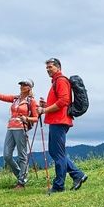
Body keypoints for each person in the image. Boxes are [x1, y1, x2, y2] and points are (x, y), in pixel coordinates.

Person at [36, 57, 87, 194]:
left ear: (58, 67)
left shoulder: (61, 80)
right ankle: (78, 175)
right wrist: (46, 105)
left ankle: (59, 185)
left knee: (58, 154)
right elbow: (60, 101)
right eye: (47, 68)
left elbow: (64, 101)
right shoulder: (56, 81)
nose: (48, 70)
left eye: (50, 67)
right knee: (55, 152)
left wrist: (44, 110)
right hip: (56, 120)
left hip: (59, 121)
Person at [0, 79, 39, 189]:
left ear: (29, 88)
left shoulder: (31, 101)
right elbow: (0, 97)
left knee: (22, 156)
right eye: (21, 84)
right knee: (7, 156)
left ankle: (21, 182)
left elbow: (36, 118)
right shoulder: (15, 98)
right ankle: (21, 175)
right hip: (10, 127)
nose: (21, 86)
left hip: (21, 128)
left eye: (24, 85)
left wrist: (26, 118)